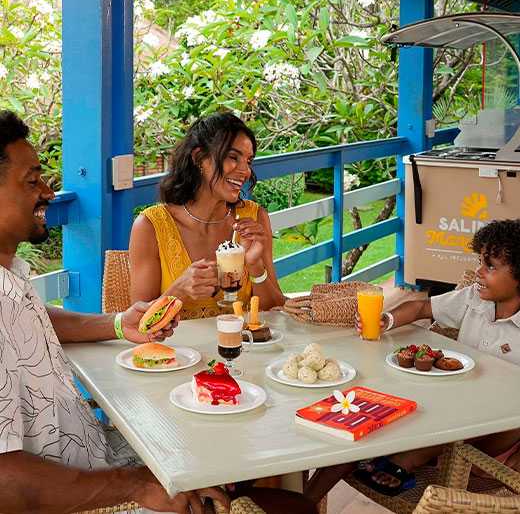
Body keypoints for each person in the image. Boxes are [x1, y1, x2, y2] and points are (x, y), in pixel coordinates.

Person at [0, 109, 229, 514]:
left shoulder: (10, 277)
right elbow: (6, 486)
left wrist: (120, 324)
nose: (49, 193)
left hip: (94, 451)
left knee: (214, 446)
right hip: (85, 495)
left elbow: (31, 320)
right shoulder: (154, 222)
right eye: (32, 181)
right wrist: (136, 486)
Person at [305, 219, 520, 501]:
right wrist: (388, 319)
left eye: (490, 266)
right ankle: (304, 501)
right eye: (480, 261)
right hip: (447, 404)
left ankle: (407, 459)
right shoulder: (474, 299)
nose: (478, 271)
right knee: (360, 416)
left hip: (488, 434)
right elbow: (420, 307)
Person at [129, 112, 285, 318]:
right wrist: (179, 291)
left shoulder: (254, 218)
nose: (245, 171)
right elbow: (139, 323)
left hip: (243, 349)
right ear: (199, 158)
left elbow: (275, 310)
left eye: (248, 160)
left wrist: (255, 266)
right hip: (178, 350)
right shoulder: (150, 226)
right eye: (232, 157)